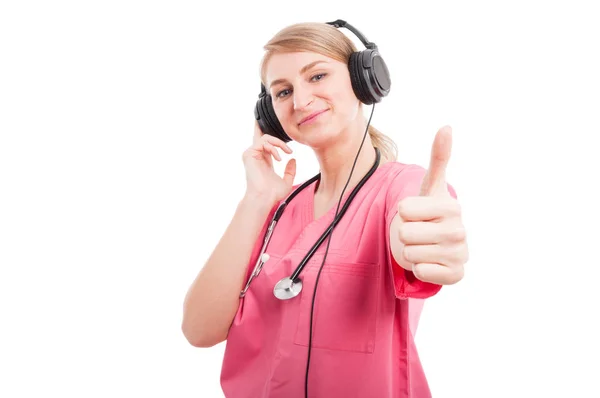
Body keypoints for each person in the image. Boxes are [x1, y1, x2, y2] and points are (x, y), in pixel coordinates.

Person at [182, 19, 469, 398]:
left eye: (316, 76)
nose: (300, 101)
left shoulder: (401, 188)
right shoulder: (277, 208)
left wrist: (431, 243)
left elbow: (420, 223)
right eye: (282, 92)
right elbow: (199, 330)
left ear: (363, 80)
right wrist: (257, 199)